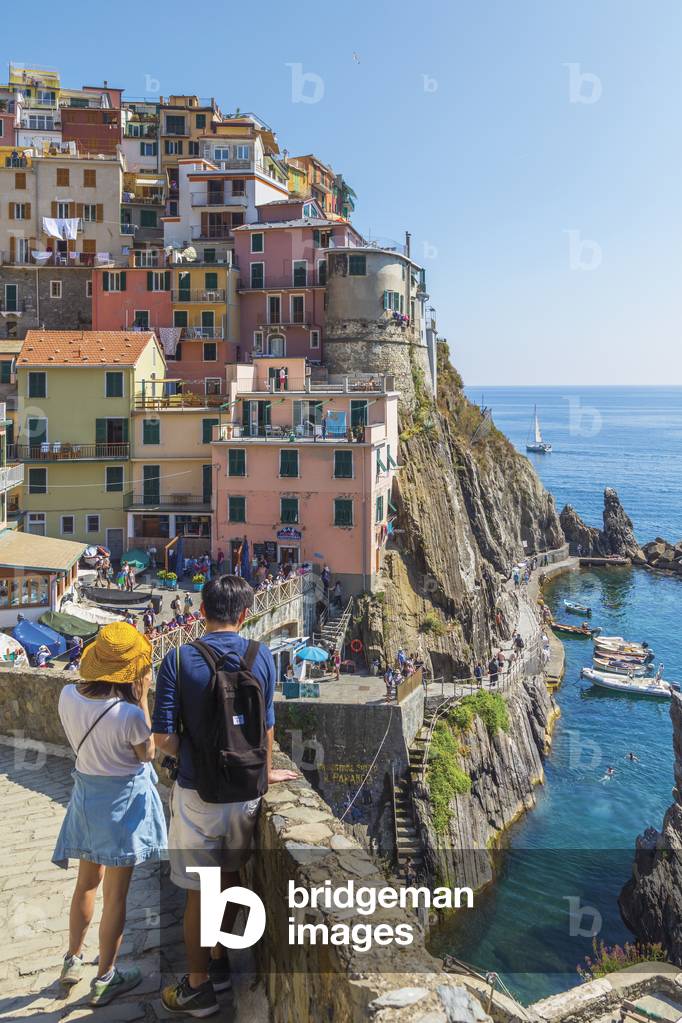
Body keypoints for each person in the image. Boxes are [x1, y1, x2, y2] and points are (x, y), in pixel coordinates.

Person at [152, 576, 298, 1017]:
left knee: (199, 890)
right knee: (230, 876)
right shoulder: (262, 656)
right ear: (244, 614)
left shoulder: (178, 659)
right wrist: (266, 772)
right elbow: (267, 727)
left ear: (201, 608)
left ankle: (199, 989)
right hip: (248, 792)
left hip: (199, 793)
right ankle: (218, 960)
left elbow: (161, 737)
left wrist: (192, 756)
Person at [52, 623, 166, 1006]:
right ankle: (105, 978)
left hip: (86, 799)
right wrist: (144, 695)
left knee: (86, 883)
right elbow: (148, 754)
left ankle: (72, 958)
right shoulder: (129, 715)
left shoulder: (68, 696)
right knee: (116, 897)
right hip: (121, 808)